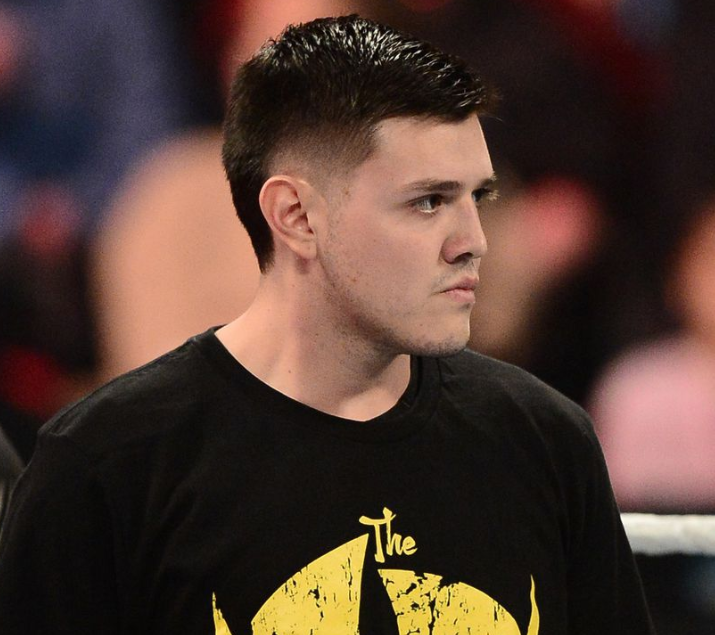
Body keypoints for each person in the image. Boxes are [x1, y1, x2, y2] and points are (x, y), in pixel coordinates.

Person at [0, 15, 653, 634]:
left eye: (476, 198)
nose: (473, 242)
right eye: (428, 201)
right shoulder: (106, 468)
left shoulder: (546, 443)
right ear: (296, 217)